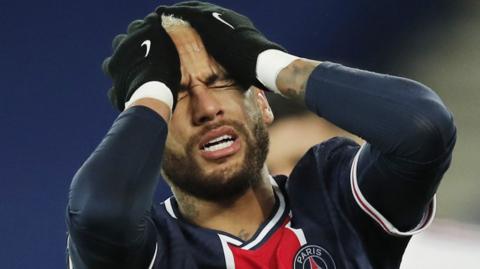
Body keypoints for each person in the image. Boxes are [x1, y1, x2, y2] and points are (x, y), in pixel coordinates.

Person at [66, 2, 456, 268]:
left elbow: (423, 129)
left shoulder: (333, 197)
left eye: (220, 82)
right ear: (148, 137)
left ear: (263, 103)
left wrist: (261, 59)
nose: (207, 108)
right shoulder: (149, 251)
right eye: (178, 96)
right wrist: (150, 89)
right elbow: (97, 212)